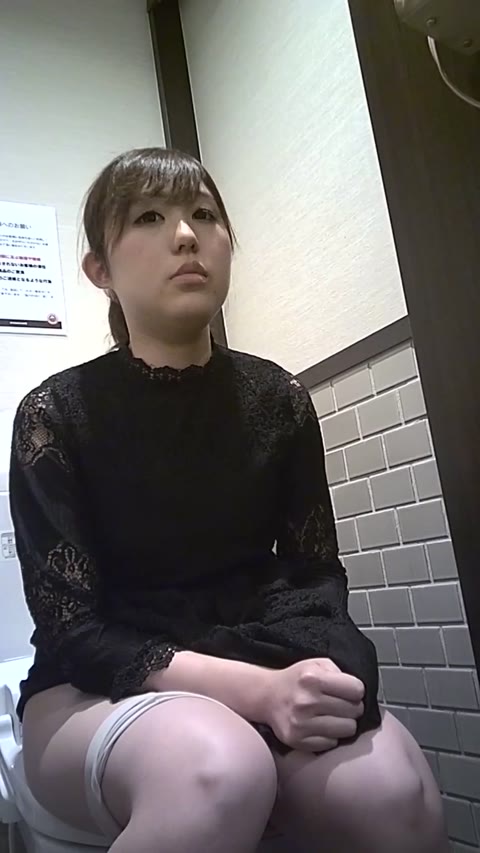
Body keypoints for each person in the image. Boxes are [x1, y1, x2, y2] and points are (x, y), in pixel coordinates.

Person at [9, 147, 448, 853]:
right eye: (149, 218)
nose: (186, 235)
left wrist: (319, 669)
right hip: (92, 686)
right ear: (100, 271)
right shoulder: (54, 414)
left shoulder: (277, 398)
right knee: (219, 772)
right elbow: (74, 629)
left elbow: (314, 576)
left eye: (204, 215)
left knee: (391, 794)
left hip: (256, 650)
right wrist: (257, 693)